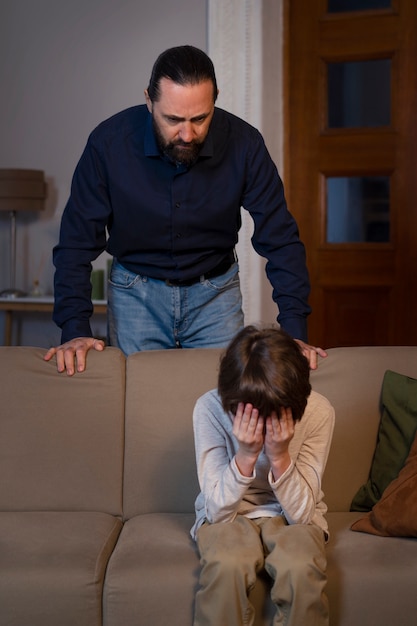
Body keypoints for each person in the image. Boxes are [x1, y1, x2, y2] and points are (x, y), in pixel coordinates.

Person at [44, 45, 327, 376]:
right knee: (139, 405)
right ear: (149, 100)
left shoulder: (245, 144)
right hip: (136, 294)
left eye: (200, 118)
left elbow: (279, 237)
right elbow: (76, 241)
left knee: (226, 404)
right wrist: (75, 328)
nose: (187, 134)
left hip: (215, 296)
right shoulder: (108, 144)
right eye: (173, 119)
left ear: (215, 100)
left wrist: (293, 329)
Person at [191, 325, 335, 626]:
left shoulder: (318, 411)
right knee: (226, 565)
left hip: (291, 514)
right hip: (231, 514)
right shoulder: (210, 408)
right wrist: (245, 455)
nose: (261, 424)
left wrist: (280, 455)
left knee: (301, 568)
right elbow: (216, 511)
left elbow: (303, 515)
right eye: (247, 414)